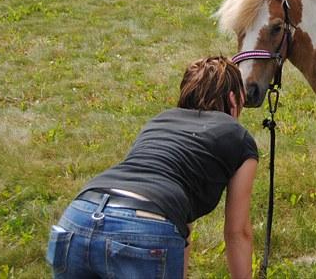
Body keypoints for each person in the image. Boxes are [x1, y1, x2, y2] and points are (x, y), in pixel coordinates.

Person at [46, 56, 259, 278]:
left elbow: (179, 226)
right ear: (234, 99)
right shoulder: (238, 136)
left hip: (78, 216)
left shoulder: (159, 121)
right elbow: (237, 232)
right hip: (145, 225)